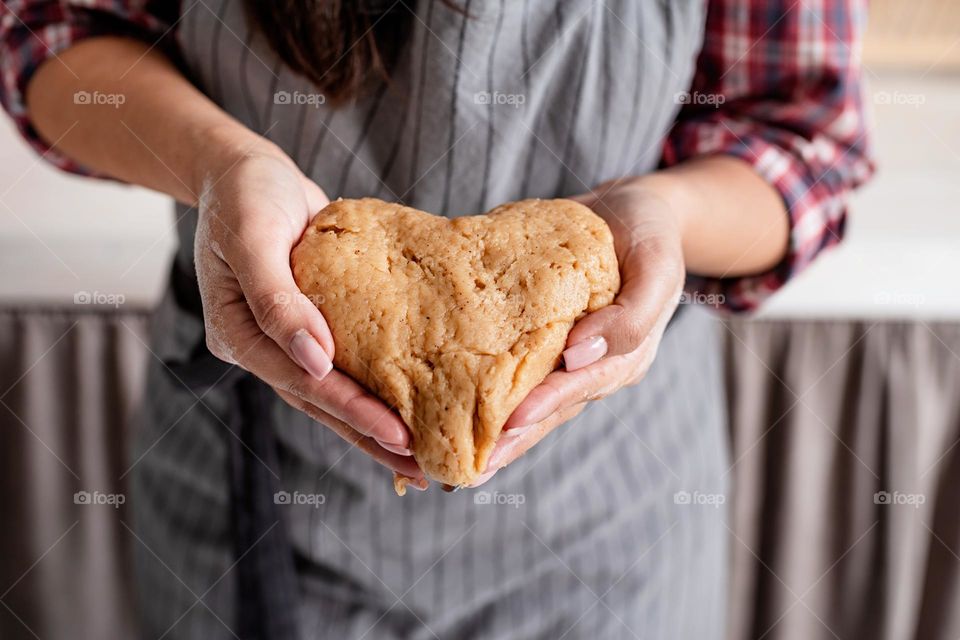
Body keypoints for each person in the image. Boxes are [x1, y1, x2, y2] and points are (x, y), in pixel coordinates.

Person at [0, 1, 872, 638]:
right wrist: (223, 162)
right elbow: (58, 34)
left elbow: (805, 138)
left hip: (610, 517)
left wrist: (664, 216)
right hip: (254, 489)